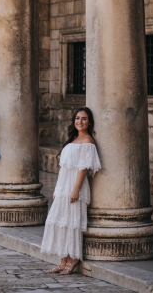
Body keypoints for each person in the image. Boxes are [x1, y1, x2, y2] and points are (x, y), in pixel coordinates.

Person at [41, 107, 101, 274]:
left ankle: (74, 258)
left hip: (75, 186)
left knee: (72, 222)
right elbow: (64, 168)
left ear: (89, 122)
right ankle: (63, 259)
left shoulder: (88, 142)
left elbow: (83, 169)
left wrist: (75, 190)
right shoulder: (73, 140)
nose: (79, 122)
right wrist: (58, 189)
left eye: (83, 119)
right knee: (60, 221)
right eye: (77, 118)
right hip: (63, 185)